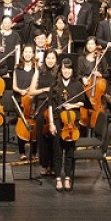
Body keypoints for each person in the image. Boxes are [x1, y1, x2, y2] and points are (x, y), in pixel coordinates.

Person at [48, 58, 85, 192]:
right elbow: (51, 106)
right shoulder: (54, 85)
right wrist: (51, 123)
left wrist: (72, 105)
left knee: (70, 152)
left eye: (69, 68)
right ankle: (58, 177)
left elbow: (82, 102)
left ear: (72, 70)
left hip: (72, 122)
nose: (67, 71)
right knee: (57, 151)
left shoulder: (77, 85)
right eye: (64, 68)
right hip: (58, 120)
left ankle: (68, 177)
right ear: (60, 70)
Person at [12, 44, 40, 161]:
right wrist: (20, 91)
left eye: (30, 52)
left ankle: (33, 152)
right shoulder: (17, 68)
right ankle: (22, 152)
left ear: (33, 54)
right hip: (20, 99)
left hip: (33, 100)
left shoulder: (36, 69)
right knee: (21, 124)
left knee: (34, 124)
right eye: (26, 52)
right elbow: (14, 85)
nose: (28, 54)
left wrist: (30, 91)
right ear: (22, 54)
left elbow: (37, 84)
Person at [35, 50, 59, 176]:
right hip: (42, 104)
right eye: (48, 58)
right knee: (42, 135)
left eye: (53, 58)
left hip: (54, 105)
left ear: (56, 59)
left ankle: (53, 164)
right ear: (44, 59)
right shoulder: (39, 71)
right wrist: (44, 90)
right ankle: (44, 164)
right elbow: (32, 91)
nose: (50, 60)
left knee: (54, 136)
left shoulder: (59, 73)